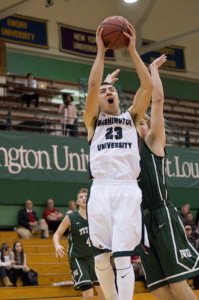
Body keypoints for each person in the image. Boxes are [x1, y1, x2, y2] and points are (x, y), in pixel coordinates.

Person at [84, 23, 153, 300]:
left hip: (126, 188)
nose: (106, 93)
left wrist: (133, 50)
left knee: (123, 258)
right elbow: (92, 85)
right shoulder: (92, 121)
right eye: (102, 93)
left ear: (116, 95)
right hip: (100, 188)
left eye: (109, 91)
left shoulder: (132, 117)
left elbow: (147, 85)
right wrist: (101, 51)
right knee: (101, 258)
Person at [135, 54, 199, 300]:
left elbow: (158, 101)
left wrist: (153, 71)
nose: (139, 124)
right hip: (142, 224)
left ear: (149, 127)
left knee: (178, 285)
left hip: (162, 215)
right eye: (136, 121)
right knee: (159, 289)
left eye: (143, 121)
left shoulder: (153, 142)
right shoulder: (127, 155)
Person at [53, 188, 105, 300]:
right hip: (78, 259)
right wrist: (57, 245)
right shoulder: (71, 217)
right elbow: (57, 234)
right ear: (77, 202)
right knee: (89, 295)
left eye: (86, 196)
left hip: (95, 258)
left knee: (103, 294)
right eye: (81, 197)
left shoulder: (96, 216)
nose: (84, 198)